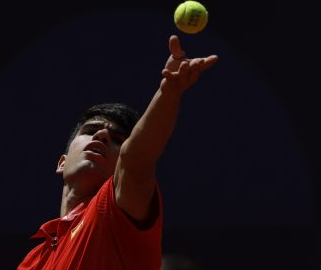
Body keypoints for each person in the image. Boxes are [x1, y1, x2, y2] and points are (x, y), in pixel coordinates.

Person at [17, 35, 218, 270]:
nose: (102, 136)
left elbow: (136, 159)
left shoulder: (111, 212)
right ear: (62, 163)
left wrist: (169, 94)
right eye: (91, 130)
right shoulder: (33, 261)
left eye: (117, 140)